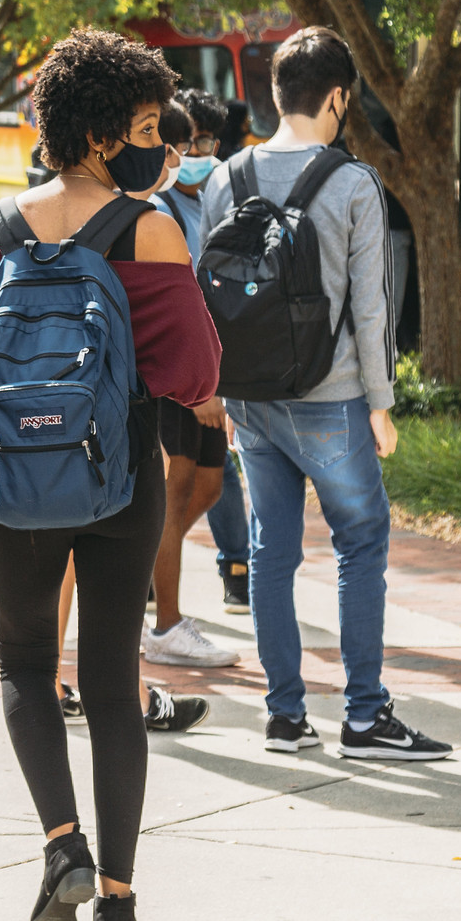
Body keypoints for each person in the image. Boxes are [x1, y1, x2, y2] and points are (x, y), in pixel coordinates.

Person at [0, 29, 222, 921]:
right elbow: (190, 370)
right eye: (148, 125)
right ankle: (118, 903)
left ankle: (59, 842)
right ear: (106, 136)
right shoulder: (147, 228)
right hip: (120, 478)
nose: (158, 144)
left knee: (26, 663)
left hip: (13, 481)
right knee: (110, 677)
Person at [199, 27, 451, 760]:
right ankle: (365, 716)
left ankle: (283, 716)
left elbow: (204, 293)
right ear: (338, 97)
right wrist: (380, 403)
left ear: (275, 95)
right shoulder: (351, 183)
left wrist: (214, 388)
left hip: (249, 397)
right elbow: (371, 305)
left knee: (269, 551)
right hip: (331, 396)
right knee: (359, 541)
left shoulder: (225, 177)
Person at [154, 88, 252, 614]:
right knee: (175, 492)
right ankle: (166, 620)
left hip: (210, 366)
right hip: (183, 373)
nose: (193, 155)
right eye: (182, 143)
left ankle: (149, 563)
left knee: (209, 486)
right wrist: (196, 385)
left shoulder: (212, 199)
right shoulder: (157, 207)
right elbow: (175, 304)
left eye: (204, 142)